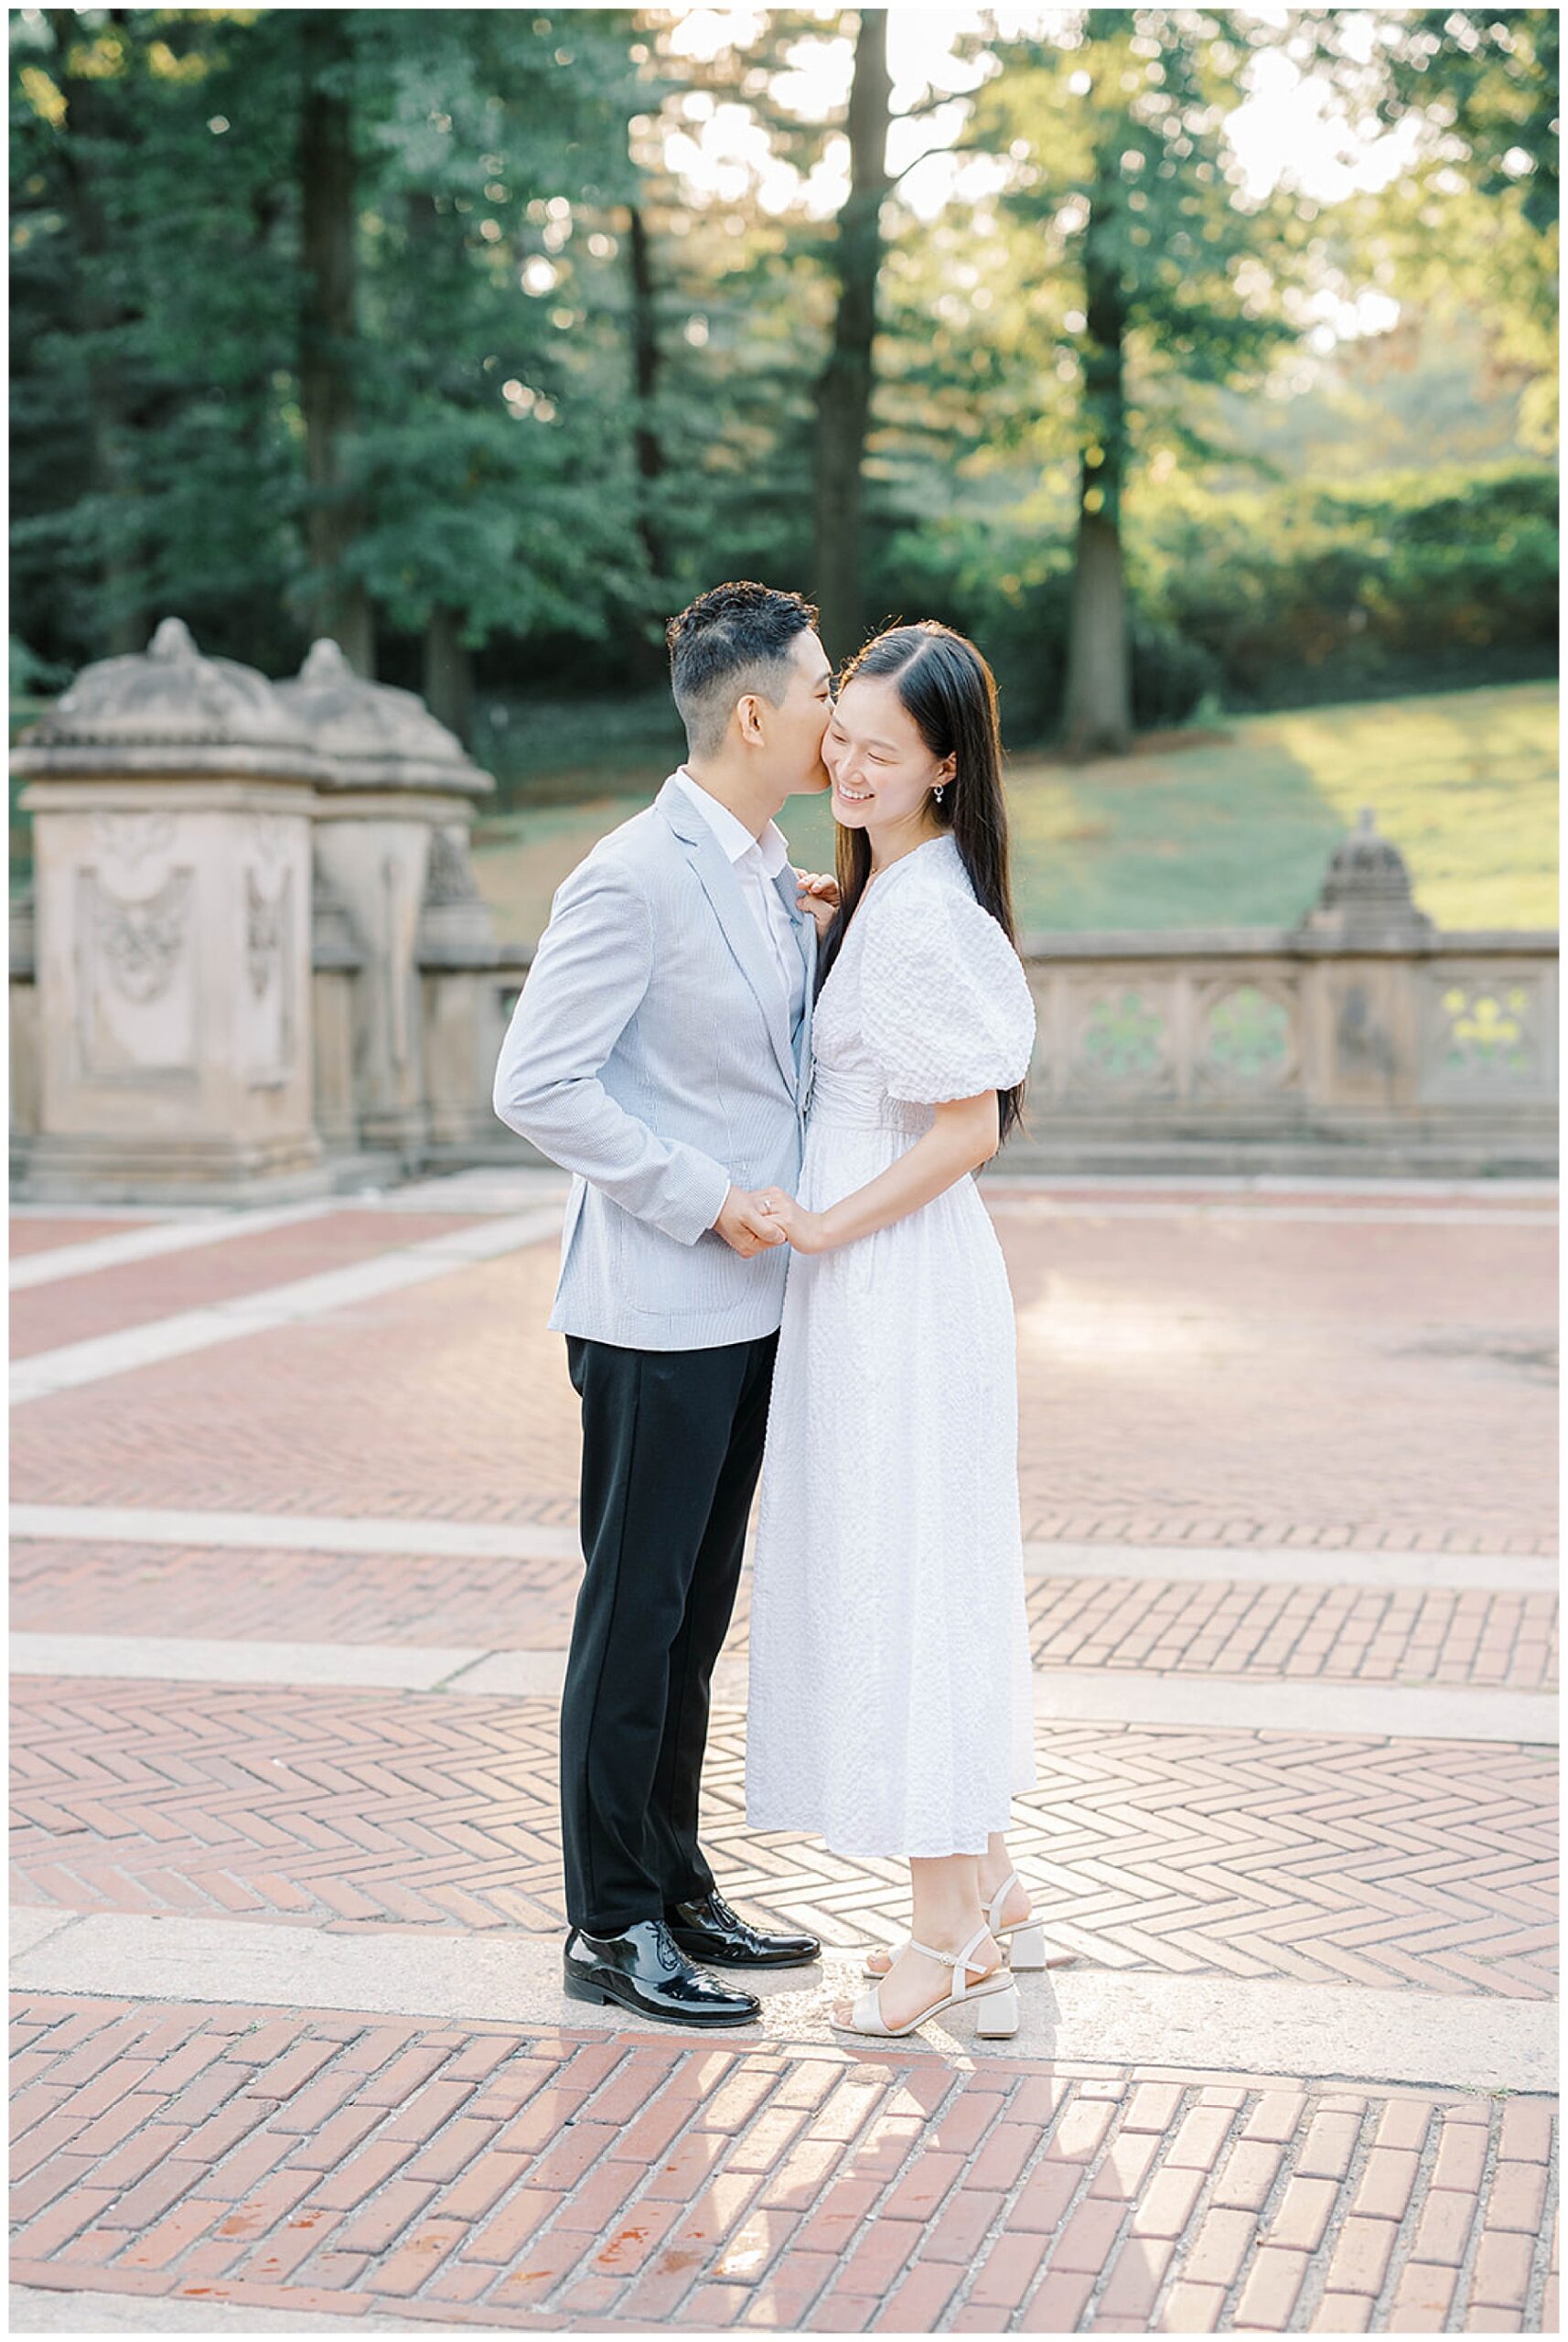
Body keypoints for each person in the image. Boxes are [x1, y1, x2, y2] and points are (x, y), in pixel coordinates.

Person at [492, 581, 839, 2029]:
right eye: (821, 688)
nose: (837, 711)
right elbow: (535, 1084)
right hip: (652, 1308)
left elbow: (760, 1062)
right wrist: (700, 1195)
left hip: (753, 1311)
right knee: (630, 1620)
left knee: (694, 1619)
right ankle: (607, 1922)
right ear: (751, 711)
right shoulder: (629, 873)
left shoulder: (771, 868)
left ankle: (677, 1879)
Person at [743, 620, 1042, 2042]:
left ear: (941, 766)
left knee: (902, 1579)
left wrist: (823, 1225)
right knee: (913, 1568)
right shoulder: (893, 894)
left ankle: (941, 1929)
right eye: (838, 739)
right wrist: (829, 921)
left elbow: (965, 1129)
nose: (846, 767)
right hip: (890, 1285)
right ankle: (986, 1889)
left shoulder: (922, 912)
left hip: (893, 1283)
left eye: (880, 751)